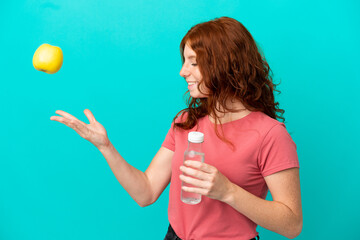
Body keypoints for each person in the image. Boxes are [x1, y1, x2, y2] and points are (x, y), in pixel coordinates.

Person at [50, 16, 302, 240]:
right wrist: (105, 147)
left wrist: (228, 192)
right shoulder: (185, 121)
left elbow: (292, 225)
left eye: (193, 63)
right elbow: (146, 192)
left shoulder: (270, 134)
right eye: (184, 62)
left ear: (224, 64)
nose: (183, 72)